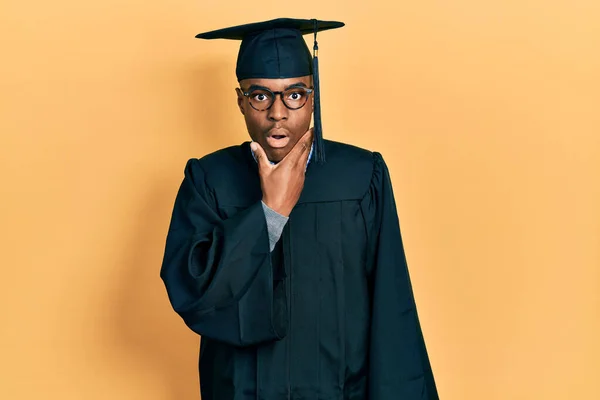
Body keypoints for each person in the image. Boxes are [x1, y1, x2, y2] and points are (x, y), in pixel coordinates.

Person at [160, 17, 439, 400]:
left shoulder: (360, 177)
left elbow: (391, 307)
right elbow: (195, 293)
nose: (278, 113)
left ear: (313, 97)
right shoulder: (209, 180)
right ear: (241, 100)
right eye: (260, 95)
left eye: (294, 94)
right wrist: (270, 211)